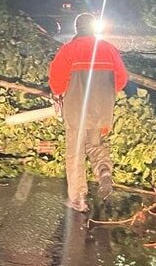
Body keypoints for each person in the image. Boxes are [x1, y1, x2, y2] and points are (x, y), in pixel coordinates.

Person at [48, 12, 128, 213]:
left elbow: (56, 80)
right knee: (95, 144)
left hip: (76, 110)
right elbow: (122, 78)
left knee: (75, 151)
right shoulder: (109, 49)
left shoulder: (69, 50)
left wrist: (58, 95)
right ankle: (103, 171)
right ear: (94, 29)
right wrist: (107, 95)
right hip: (102, 109)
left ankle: (78, 198)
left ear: (77, 29)